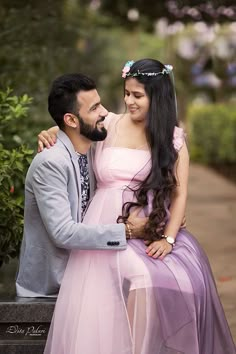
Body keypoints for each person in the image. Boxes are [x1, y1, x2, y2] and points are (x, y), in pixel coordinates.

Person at [41, 59, 235, 353]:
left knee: (174, 281)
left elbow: (180, 194)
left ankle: (142, 347)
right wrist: (48, 132)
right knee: (117, 292)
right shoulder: (111, 123)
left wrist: (168, 238)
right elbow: (72, 123)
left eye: (137, 96)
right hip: (103, 226)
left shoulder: (172, 138)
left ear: (157, 97)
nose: (129, 101)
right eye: (127, 94)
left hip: (144, 225)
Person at [16, 73, 146, 298]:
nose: (105, 112)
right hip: (54, 284)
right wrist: (128, 231)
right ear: (72, 120)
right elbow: (63, 233)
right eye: (95, 108)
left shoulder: (90, 150)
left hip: (89, 269)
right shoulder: (50, 162)